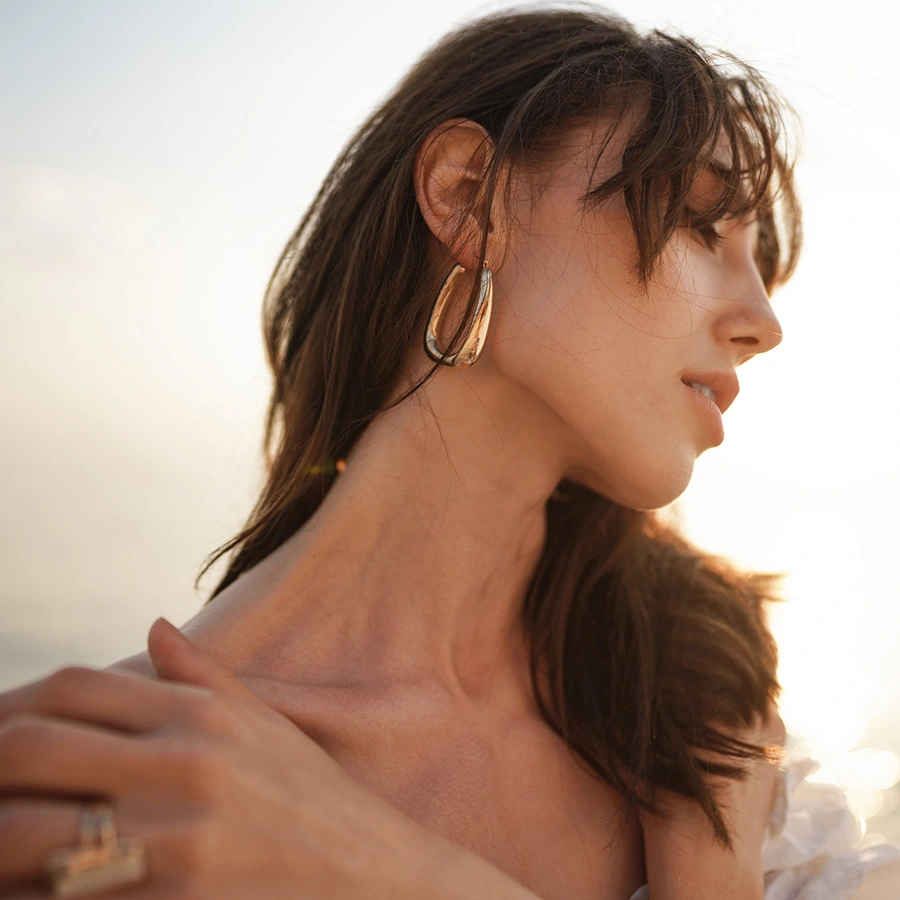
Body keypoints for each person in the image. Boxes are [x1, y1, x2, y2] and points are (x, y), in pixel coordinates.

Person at [1, 6, 898, 899]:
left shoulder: (695, 695)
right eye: (701, 223)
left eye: (760, 263)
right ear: (471, 196)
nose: (764, 325)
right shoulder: (125, 796)